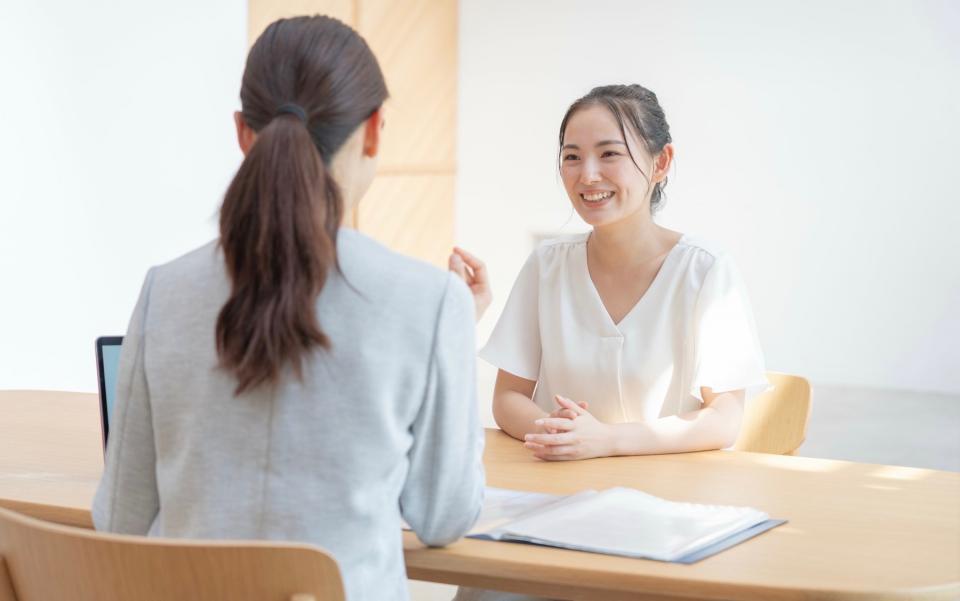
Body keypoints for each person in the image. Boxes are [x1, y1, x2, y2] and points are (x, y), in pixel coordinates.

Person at [92, 16, 484, 601]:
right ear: (375, 131)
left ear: (243, 134)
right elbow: (443, 514)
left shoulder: (164, 292)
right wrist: (450, 345)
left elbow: (120, 517)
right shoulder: (429, 301)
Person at [483, 83, 767, 461]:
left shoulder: (704, 269)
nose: (588, 175)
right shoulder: (547, 264)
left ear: (660, 163)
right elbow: (508, 397)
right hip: (562, 487)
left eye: (610, 154)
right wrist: (561, 434)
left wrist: (606, 440)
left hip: (668, 496)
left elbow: (724, 419)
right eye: (572, 157)